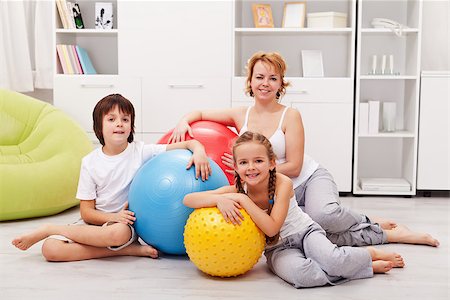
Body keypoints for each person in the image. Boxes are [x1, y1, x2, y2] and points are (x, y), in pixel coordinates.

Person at [169, 51, 440, 248]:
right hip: (275, 188)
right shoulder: (241, 114)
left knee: (325, 216)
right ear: (250, 81)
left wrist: (248, 173)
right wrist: (184, 121)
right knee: (318, 234)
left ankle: (370, 220)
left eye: (272, 78)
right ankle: (389, 235)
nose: (265, 83)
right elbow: (201, 111)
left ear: (280, 84)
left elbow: (296, 166)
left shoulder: (291, 115)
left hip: (308, 179)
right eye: (259, 76)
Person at [184, 131, 405, 288]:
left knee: (332, 260)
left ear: (271, 163)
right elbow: (188, 199)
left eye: (258, 160)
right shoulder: (237, 189)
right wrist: (223, 198)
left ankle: (367, 256)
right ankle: (358, 267)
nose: (251, 167)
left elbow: (272, 228)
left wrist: (240, 200)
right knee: (303, 276)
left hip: (306, 233)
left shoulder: (282, 182)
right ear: (235, 167)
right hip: (277, 249)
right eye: (243, 163)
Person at [12, 94, 212, 262]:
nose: (119, 124)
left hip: (123, 225)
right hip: (97, 222)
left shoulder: (141, 151)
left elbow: (186, 144)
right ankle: (124, 250)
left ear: (131, 126)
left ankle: (52, 229)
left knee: (117, 234)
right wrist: (110, 217)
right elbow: (87, 212)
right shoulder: (90, 162)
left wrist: (199, 150)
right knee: (51, 250)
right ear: (99, 127)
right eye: (112, 119)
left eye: (125, 119)